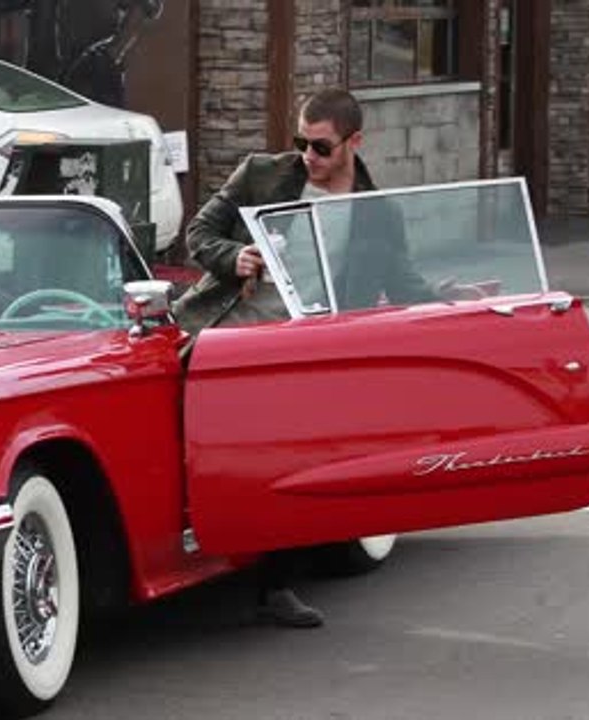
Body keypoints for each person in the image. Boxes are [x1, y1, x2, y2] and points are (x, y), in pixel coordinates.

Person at [175, 87, 400, 629]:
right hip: (223, 334)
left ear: (354, 142)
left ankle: (275, 586)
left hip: (300, 350)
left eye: (321, 147)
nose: (308, 156)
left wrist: (460, 300)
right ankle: (192, 545)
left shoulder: (376, 213)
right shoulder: (262, 173)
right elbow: (198, 233)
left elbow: (402, 282)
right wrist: (235, 256)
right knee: (199, 448)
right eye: (301, 142)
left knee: (290, 465)